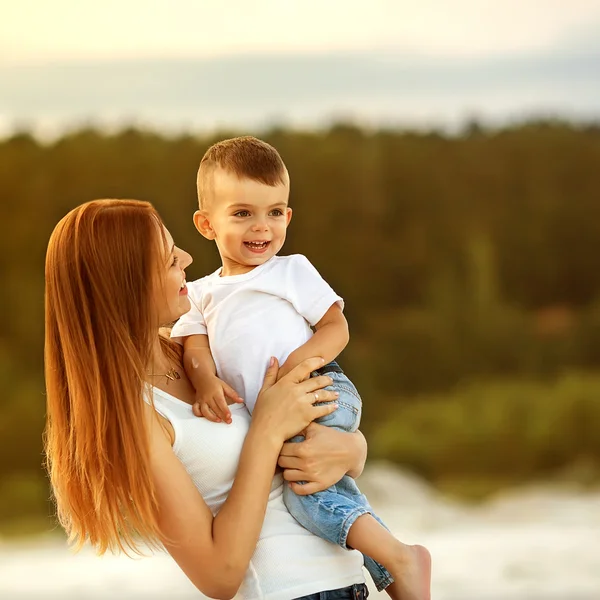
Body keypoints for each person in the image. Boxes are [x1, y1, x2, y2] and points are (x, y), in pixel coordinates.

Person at [44, 198, 373, 600]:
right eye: (167, 259)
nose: (185, 257)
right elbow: (219, 576)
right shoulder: (134, 416)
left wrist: (353, 449)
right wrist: (266, 432)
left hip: (347, 584)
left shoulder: (200, 354)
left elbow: (314, 440)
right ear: (123, 285)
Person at [171, 136, 431, 599]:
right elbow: (194, 344)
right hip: (284, 411)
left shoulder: (290, 271)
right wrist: (206, 380)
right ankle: (395, 562)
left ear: (288, 216)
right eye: (242, 213)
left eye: (275, 212)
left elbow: (336, 325)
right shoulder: (201, 292)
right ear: (206, 224)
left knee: (304, 491)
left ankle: (400, 559)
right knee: (321, 488)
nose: (262, 227)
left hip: (318, 388)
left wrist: (299, 365)